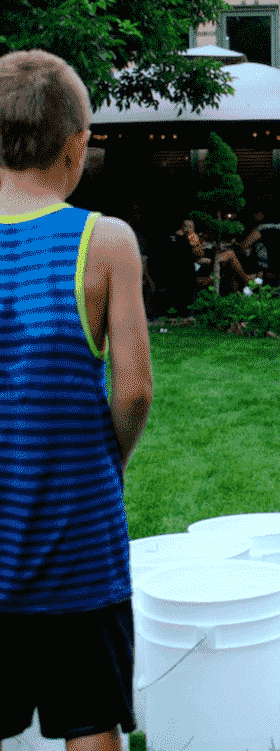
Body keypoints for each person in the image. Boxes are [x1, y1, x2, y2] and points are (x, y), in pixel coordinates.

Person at [0, 50, 153, 751]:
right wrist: (107, 458)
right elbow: (134, 390)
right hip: (78, 544)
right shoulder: (107, 241)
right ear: (76, 144)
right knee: (91, 721)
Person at [165, 218, 211, 323]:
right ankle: (176, 313)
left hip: (189, 268)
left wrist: (197, 246)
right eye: (187, 226)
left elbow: (199, 254)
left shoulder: (192, 238)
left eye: (191, 227)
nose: (189, 229)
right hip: (176, 269)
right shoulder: (175, 238)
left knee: (190, 283)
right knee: (180, 285)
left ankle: (189, 314)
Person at [238, 207, 280, 283]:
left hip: (273, 267)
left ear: (261, 214)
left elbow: (244, 245)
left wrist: (237, 245)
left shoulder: (263, 227)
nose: (253, 216)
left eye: (255, 213)